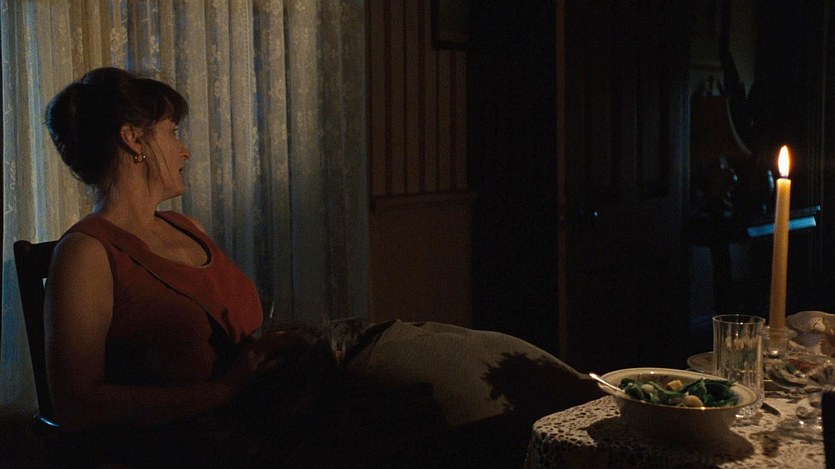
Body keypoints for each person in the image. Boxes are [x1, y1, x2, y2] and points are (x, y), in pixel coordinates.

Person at [43, 67, 602, 468]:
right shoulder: (88, 253)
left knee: (473, 358)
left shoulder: (185, 227)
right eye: (172, 132)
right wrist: (224, 390)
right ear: (133, 140)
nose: (184, 149)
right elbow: (74, 405)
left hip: (300, 380)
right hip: (238, 431)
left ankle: (586, 399)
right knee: (452, 408)